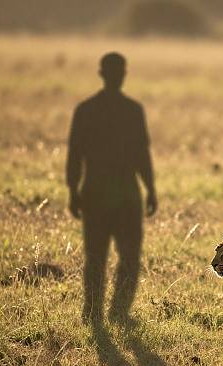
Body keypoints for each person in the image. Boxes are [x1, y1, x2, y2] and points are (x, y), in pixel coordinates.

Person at [66, 52, 157, 325]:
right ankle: (118, 312)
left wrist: (73, 189)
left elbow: (75, 155)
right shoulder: (132, 110)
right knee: (128, 256)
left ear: (101, 74)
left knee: (96, 256)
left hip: (95, 191)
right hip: (126, 193)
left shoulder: (86, 110)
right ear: (120, 75)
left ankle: (94, 313)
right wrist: (150, 188)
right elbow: (142, 154)